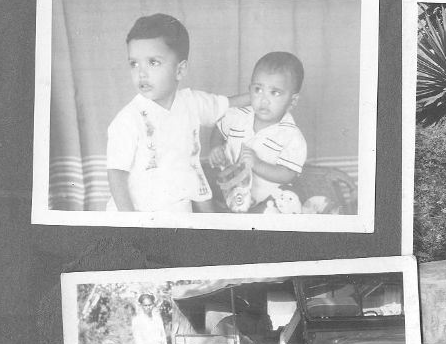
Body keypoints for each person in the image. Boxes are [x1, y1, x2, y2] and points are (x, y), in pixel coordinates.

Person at [107, 13, 241, 213]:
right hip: (138, 214)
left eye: (153, 62)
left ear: (180, 70)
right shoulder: (128, 119)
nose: (141, 73)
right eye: (134, 63)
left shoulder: (191, 102)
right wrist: (130, 222)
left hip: (179, 211)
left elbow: (225, 104)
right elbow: (116, 173)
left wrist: (261, 95)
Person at [208, 51, 309, 210]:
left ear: (292, 101)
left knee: (285, 202)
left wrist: (257, 164)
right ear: (250, 89)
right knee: (205, 189)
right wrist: (215, 147)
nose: (263, 100)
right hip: (231, 189)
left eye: (274, 92)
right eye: (258, 89)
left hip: (268, 198)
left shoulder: (292, 136)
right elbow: (218, 130)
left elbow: (287, 174)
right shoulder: (238, 115)